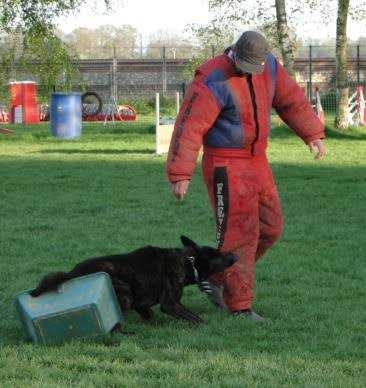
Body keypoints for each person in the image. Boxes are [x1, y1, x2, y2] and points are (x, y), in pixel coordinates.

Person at [166, 31, 326, 320]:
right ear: (234, 54)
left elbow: (292, 100)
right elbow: (188, 125)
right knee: (241, 233)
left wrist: (312, 133)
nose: (248, 72)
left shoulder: (272, 68)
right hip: (225, 163)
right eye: (244, 66)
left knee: (271, 227)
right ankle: (240, 307)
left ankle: (214, 277)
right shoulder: (212, 78)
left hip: (257, 160)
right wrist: (180, 172)